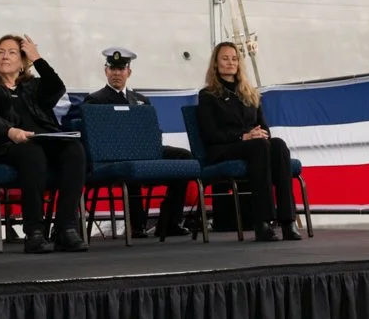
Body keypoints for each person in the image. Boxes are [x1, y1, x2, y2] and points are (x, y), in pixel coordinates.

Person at [0, 34, 85, 254]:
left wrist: (37, 58)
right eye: (0, 52)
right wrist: (10, 131)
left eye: (11, 52)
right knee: (32, 152)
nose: (4, 56)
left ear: (22, 62)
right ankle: (34, 232)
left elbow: (57, 88)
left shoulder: (33, 86)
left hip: (42, 139)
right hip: (4, 145)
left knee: (74, 150)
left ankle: (66, 228)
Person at [197, 41, 300, 241]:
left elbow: (264, 128)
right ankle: (263, 222)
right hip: (224, 148)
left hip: (254, 146)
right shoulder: (208, 95)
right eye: (225, 59)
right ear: (216, 64)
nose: (230, 63)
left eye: (234, 59)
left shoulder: (250, 93)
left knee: (277, 144)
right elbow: (210, 134)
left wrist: (261, 134)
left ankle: (288, 221)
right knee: (259, 146)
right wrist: (243, 136)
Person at [83, 46, 189, 239]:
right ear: (106, 71)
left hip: (145, 151)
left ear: (129, 72)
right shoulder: (95, 100)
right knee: (130, 163)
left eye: (121, 69)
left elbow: (153, 131)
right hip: (113, 156)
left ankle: (169, 222)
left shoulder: (141, 101)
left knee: (183, 158)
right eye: (112, 69)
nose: (117, 73)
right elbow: (96, 136)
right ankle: (137, 225)